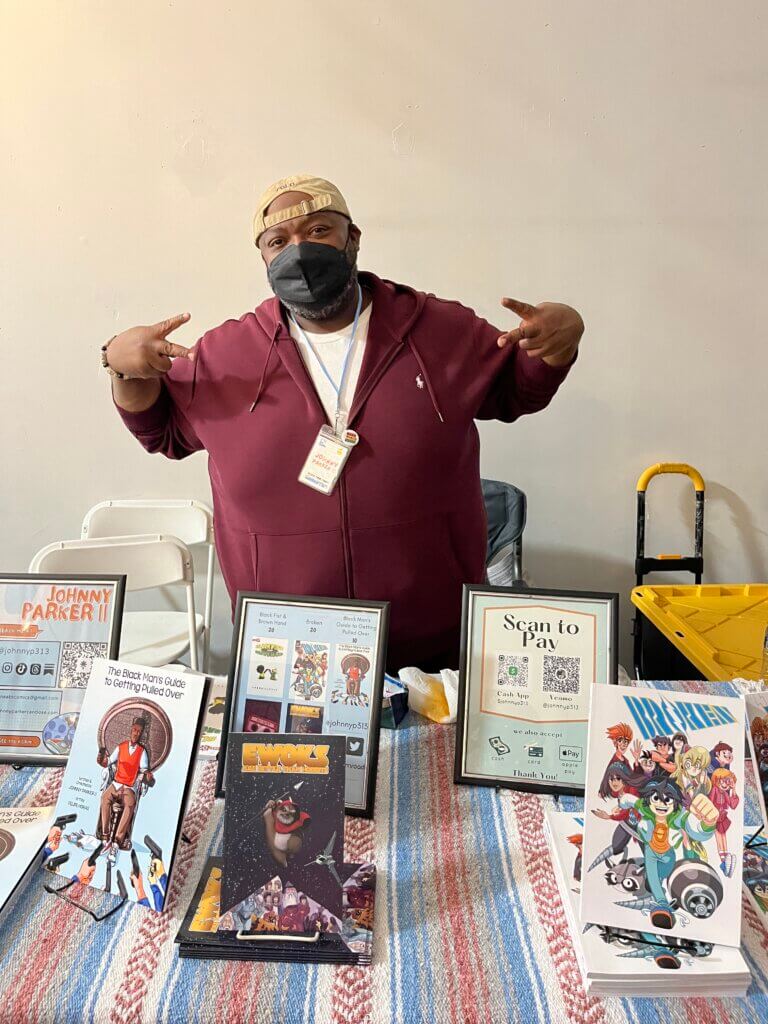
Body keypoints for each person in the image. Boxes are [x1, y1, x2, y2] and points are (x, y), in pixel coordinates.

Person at [105, 175, 584, 671]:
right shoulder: (225, 356)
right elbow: (160, 431)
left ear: (352, 238)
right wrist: (122, 367)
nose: (298, 251)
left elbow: (516, 390)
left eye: (317, 231)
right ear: (264, 260)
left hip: (433, 648)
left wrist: (560, 341)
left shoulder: (440, 331)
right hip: (287, 653)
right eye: (278, 242)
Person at [97, 716, 154, 849]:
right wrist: (101, 757)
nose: (136, 733)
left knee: (130, 804)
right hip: (116, 783)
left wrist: (148, 776)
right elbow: (108, 762)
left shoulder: (142, 752)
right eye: (135, 730)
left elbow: (145, 771)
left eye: (139, 731)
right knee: (105, 798)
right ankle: (105, 835)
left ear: (141, 734)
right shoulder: (121, 747)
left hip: (128, 787)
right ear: (131, 730)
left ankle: (117, 840)